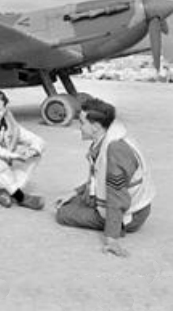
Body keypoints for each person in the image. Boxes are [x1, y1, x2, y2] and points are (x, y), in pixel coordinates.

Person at [56, 98, 155, 257]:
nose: (79, 127)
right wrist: (75, 192)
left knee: (63, 213)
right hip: (135, 205)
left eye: (82, 122)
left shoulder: (114, 151)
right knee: (71, 201)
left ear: (95, 127)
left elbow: (117, 196)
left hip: (132, 214)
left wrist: (111, 239)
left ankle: (118, 226)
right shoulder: (106, 141)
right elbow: (98, 178)